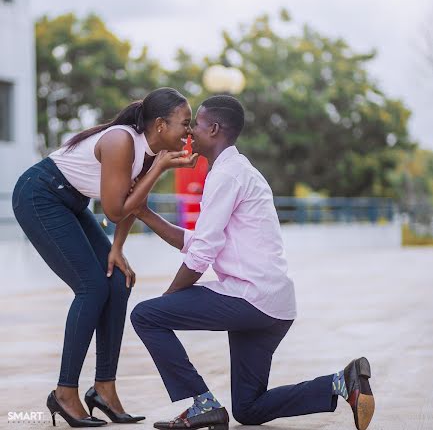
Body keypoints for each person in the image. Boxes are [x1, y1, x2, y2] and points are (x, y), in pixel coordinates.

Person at [130, 95, 375, 430]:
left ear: (213, 129)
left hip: (251, 299)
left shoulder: (227, 176)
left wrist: (168, 301)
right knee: (248, 408)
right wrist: (144, 213)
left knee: (146, 315)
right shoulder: (238, 171)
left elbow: (201, 253)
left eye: (195, 125)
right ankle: (341, 383)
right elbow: (198, 241)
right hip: (274, 306)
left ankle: (202, 403)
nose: (189, 133)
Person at [12, 87, 198, 428]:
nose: (190, 131)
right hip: (40, 194)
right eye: (185, 124)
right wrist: (159, 169)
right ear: (160, 125)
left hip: (70, 201)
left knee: (118, 282)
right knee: (92, 287)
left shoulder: (148, 151)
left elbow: (132, 202)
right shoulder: (122, 142)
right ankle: (64, 393)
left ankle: (104, 389)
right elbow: (115, 210)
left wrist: (117, 250)